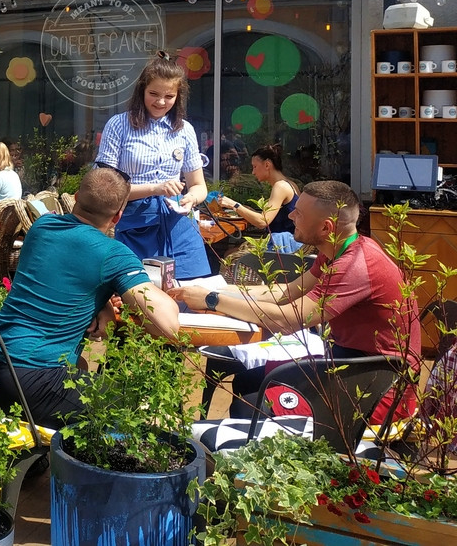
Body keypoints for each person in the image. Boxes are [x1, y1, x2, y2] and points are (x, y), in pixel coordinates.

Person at [171, 180, 420, 419]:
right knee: (247, 382)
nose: (290, 216)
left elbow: (288, 320)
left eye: (299, 213)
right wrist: (207, 290)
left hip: (378, 388)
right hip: (350, 364)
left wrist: (212, 300)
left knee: (251, 402)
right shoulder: (339, 249)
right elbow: (285, 292)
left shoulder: (356, 264)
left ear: (326, 228)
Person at [0, 166, 181, 427]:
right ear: (118, 217)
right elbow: (169, 327)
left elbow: (64, 275)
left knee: (83, 367)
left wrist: (100, 302)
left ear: (75, 197)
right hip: (31, 379)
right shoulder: (113, 254)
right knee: (140, 405)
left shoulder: (42, 227)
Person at [94, 54, 210, 280]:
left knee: (190, 291)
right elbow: (104, 188)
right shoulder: (119, 125)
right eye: (154, 94)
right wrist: (155, 188)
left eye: (169, 96)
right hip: (136, 222)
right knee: (139, 294)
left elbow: (199, 186)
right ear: (141, 91)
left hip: (179, 223)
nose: (161, 102)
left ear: (178, 97)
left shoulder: (185, 130)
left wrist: (191, 199)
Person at [217, 143, 302, 252]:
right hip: (288, 246)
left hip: (284, 250)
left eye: (255, 167)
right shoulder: (289, 183)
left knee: (230, 254)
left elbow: (262, 222)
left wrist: (234, 205)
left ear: (267, 165)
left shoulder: (280, 186)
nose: (253, 172)